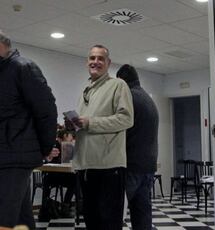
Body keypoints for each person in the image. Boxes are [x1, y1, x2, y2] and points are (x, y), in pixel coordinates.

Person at [65, 45, 133, 229]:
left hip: (108, 168)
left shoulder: (118, 85)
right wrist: (73, 126)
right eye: (92, 58)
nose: (95, 62)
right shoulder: (86, 89)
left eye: (100, 58)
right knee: (92, 222)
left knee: (109, 223)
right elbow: (84, 124)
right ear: (87, 61)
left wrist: (90, 122)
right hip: (86, 166)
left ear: (108, 63)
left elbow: (126, 119)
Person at [0, 30, 58, 229]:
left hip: (15, 156)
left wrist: (46, 146)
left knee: (5, 220)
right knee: (21, 219)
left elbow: (46, 110)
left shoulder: (22, 67)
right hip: (7, 155)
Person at [116, 64, 159, 230]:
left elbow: (119, 129)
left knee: (115, 211)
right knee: (142, 213)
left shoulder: (129, 98)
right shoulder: (148, 99)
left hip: (131, 164)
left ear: (122, 81)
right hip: (148, 165)